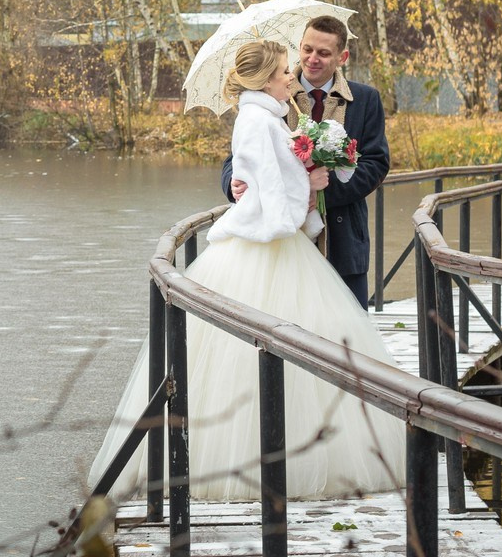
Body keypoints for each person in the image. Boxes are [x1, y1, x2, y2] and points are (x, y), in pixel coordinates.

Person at [88, 39, 405, 502]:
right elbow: (274, 201)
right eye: (283, 73)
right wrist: (309, 183)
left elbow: (268, 178)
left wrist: (304, 171)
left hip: (274, 244)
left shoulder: (268, 116)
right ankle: (253, 463)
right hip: (270, 248)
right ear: (264, 80)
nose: (292, 77)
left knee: (289, 350)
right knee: (265, 349)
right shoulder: (259, 121)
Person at [221, 14, 390, 308]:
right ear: (299, 45)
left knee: (348, 334)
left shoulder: (365, 99)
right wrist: (233, 185)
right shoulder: (269, 94)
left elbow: (376, 163)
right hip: (283, 245)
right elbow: (239, 157)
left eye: (324, 53)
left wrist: (323, 191)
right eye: (307, 49)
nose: (312, 59)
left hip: (344, 240)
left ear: (342, 56)